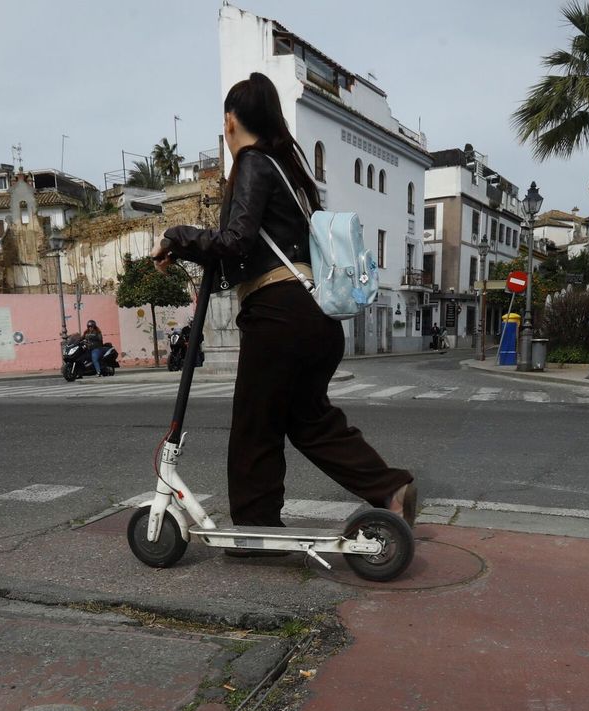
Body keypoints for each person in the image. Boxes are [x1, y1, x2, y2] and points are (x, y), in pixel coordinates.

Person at [153, 72, 415, 552]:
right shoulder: (289, 172)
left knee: (256, 426)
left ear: (230, 121)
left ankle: (255, 530)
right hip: (315, 317)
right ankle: (391, 488)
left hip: (278, 315)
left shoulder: (253, 163)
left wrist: (181, 236)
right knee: (309, 420)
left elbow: (236, 241)